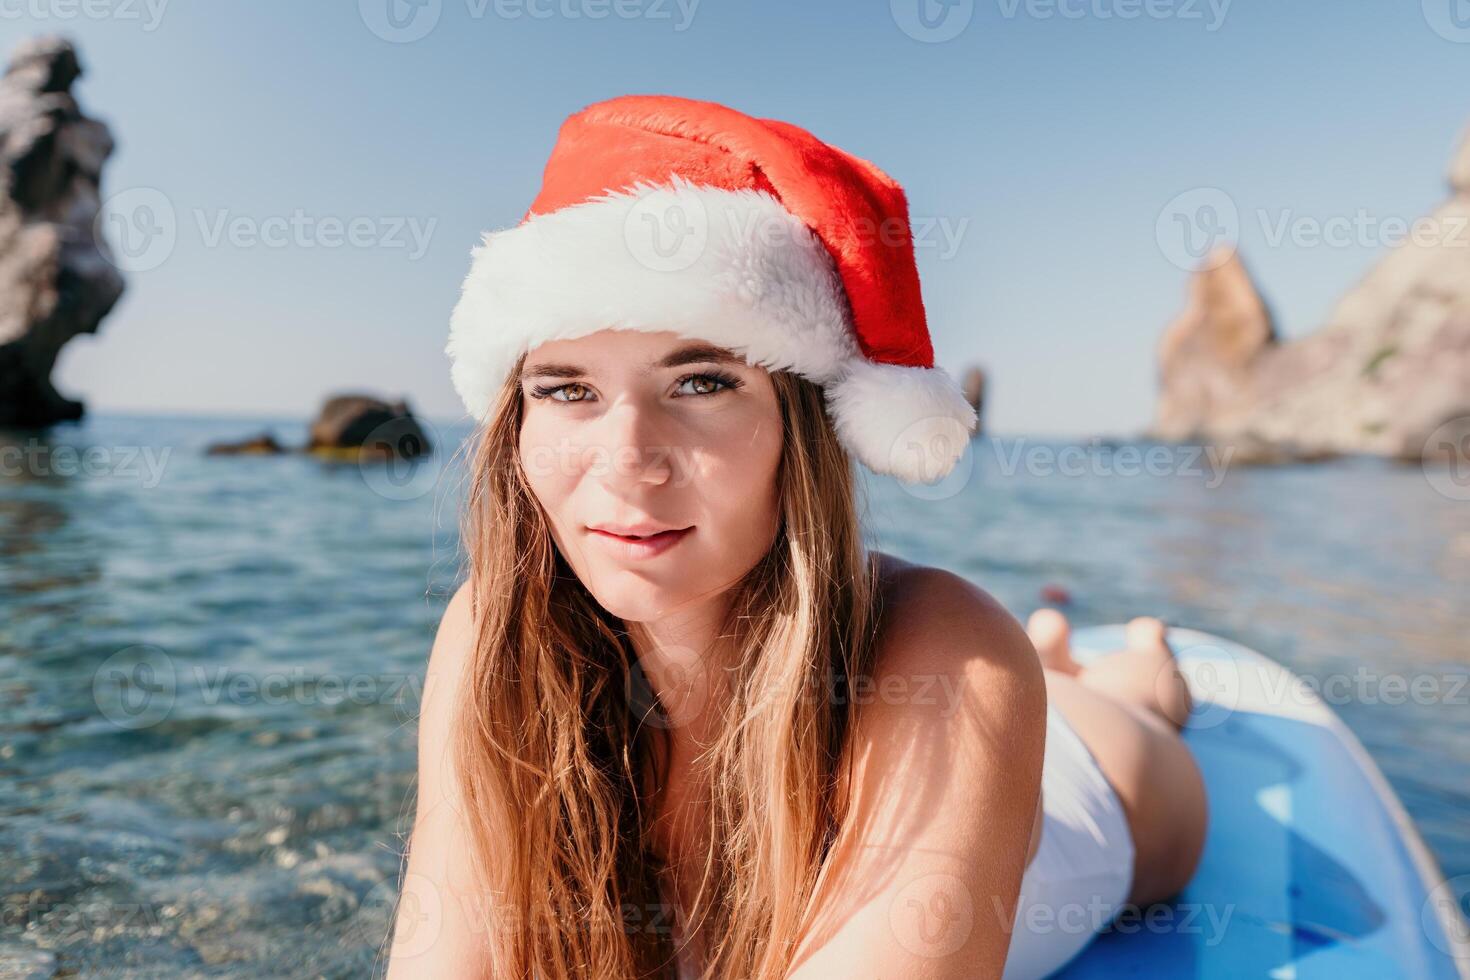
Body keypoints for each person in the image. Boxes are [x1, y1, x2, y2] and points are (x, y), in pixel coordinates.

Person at [387, 95, 1207, 980]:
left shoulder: (955, 654)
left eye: (701, 383)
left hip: (1104, 786)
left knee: (1137, 695)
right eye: (566, 389)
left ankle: (1115, 666)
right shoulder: (493, 635)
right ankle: (1056, 654)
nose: (628, 463)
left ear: (801, 430)